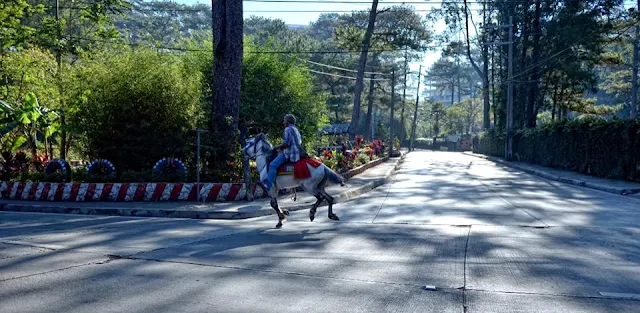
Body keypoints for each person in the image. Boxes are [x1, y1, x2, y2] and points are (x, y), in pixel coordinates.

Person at [263, 114, 302, 190]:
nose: (283, 122)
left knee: (272, 165)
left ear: (287, 121)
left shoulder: (287, 129)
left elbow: (286, 144)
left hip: (289, 153)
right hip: (297, 153)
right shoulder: (295, 129)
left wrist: (276, 147)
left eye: (284, 121)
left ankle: (268, 184)